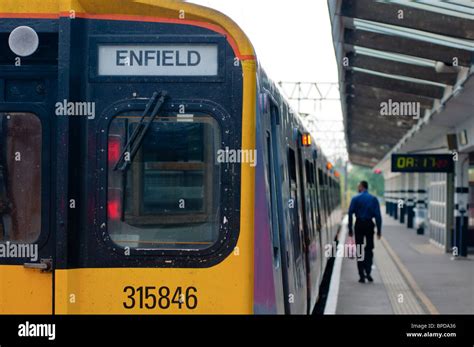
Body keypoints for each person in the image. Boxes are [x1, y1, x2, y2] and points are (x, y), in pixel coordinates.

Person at [348, 181, 382, 283]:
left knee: (359, 249)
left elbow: (350, 214)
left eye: (359, 186)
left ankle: (361, 275)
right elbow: (378, 216)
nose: (358, 188)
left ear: (362, 187)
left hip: (359, 225)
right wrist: (379, 230)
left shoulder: (355, 198)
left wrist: (350, 228)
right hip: (369, 225)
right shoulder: (373, 199)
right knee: (369, 248)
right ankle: (368, 272)